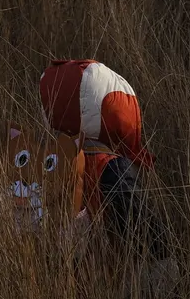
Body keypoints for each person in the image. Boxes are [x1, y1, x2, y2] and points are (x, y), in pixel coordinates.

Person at [38, 59, 163, 254]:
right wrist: (164, 262)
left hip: (51, 267)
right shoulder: (112, 167)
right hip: (106, 272)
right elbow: (143, 232)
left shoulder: (42, 158)